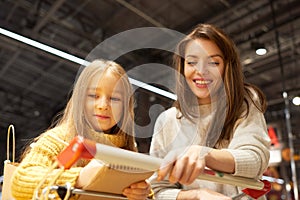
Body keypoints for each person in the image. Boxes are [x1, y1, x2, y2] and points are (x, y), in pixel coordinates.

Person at [149, 23, 271, 199]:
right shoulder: (167, 121)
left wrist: (205, 154)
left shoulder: (244, 102)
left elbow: (255, 160)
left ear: (227, 67)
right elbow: (158, 189)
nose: (201, 71)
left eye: (213, 62)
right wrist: (197, 195)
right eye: (191, 62)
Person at [11, 59, 152, 200]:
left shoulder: (127, 153)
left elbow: (150, 195)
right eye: (93, 96)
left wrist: (143, 196)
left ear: (125, 108)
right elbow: (21, 181)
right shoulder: (58, 140)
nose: (103, 105)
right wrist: (80, 178)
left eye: (114, 98)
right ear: (80, 100)